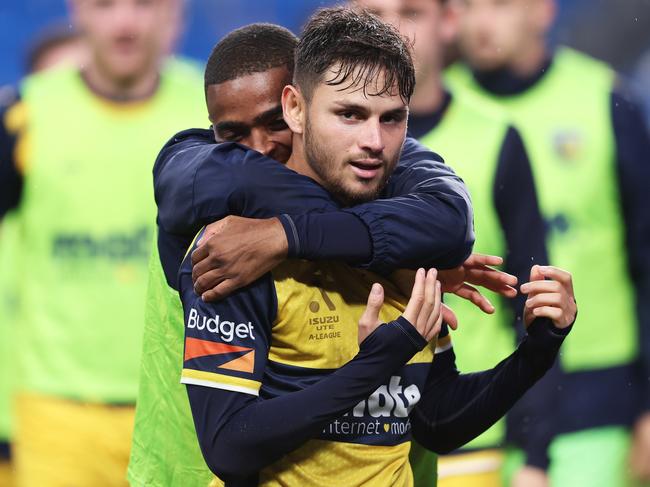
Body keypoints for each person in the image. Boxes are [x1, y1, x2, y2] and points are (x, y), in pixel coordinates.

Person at [178, 7, 575, 486]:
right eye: (349, 114)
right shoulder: (236, 247)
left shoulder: (409, 243)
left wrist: (537, 350)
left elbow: (436, 422)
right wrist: (377, 363)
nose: (374, 141)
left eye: (392, 119)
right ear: (296, 109)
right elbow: (228, 445)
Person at [129, 21, 490, 487]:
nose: (260, 149)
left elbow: (451, 221)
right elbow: (239, 177)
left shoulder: (373, 165)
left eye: (275, 122)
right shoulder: (198, 179)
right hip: (188, 471)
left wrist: (286, 234)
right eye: (233, 133)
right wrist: (389, 239)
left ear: (300, 105)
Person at [0, 0, 206, 485]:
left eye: (143, 5)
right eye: (106, 4)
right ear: (78, 10)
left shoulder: (212, 104)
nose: (125, 22)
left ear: (173, 12)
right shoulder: (24, 113)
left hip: (185, 403)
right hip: (59, 416)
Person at [446, 0, 650, 485]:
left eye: (498, 5)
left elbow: (646, 259)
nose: (481, 21)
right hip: (486, 408)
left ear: (542, 10)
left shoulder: (603, 99)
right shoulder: (427, 115)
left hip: (597, 403)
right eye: (468, 6)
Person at [351, 1, 547, 485]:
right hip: (354, 436)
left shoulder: (496, 136)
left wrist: (536, 454)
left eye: (410, 10)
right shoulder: (321, 146)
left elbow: (533, 294)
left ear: (449, 21)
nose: (392, 29)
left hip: (471, 437)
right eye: (373, 12)